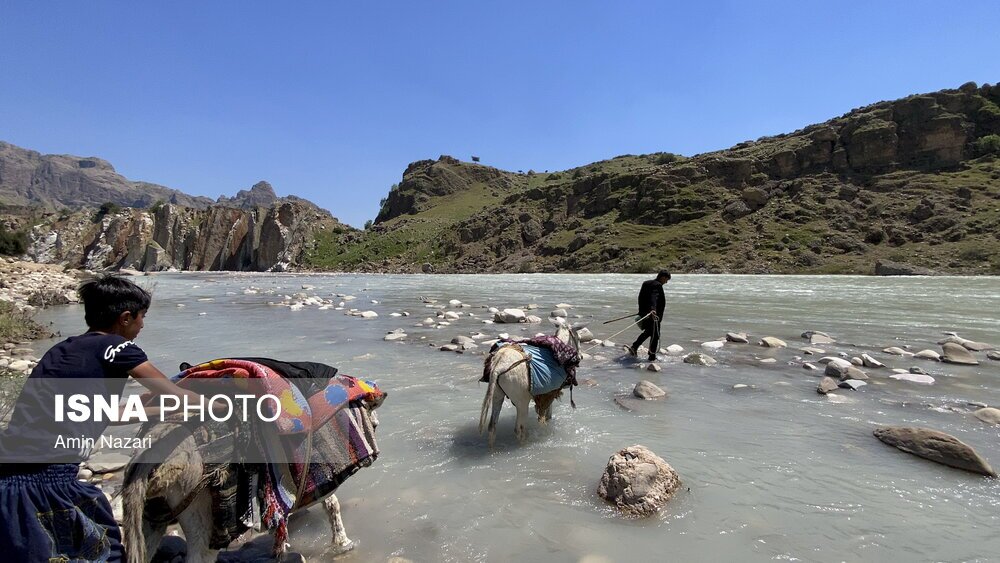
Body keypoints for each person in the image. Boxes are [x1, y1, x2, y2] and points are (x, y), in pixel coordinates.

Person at [0, 275, 204, 562]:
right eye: (142, 317)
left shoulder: (62, 350)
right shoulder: (118, 348)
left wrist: (160, 411)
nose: (143, 325)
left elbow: (100, 412)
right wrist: (215, 403)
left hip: (9, 476)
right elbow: (173, 392)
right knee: (102, 552)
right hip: (50, 481)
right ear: (125, 318)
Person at [626, 270, 671, 361]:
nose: (666, 282)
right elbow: (653, 297)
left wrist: (641, 311)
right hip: (653, 316)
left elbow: (641, 298)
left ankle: (634, 347)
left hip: (645, 313)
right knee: (655, 335)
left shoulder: (646, 283)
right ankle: (652, 356)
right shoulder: (657, 285)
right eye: (666, 280)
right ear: (663, 277)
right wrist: (653, 310)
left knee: (648, 332)